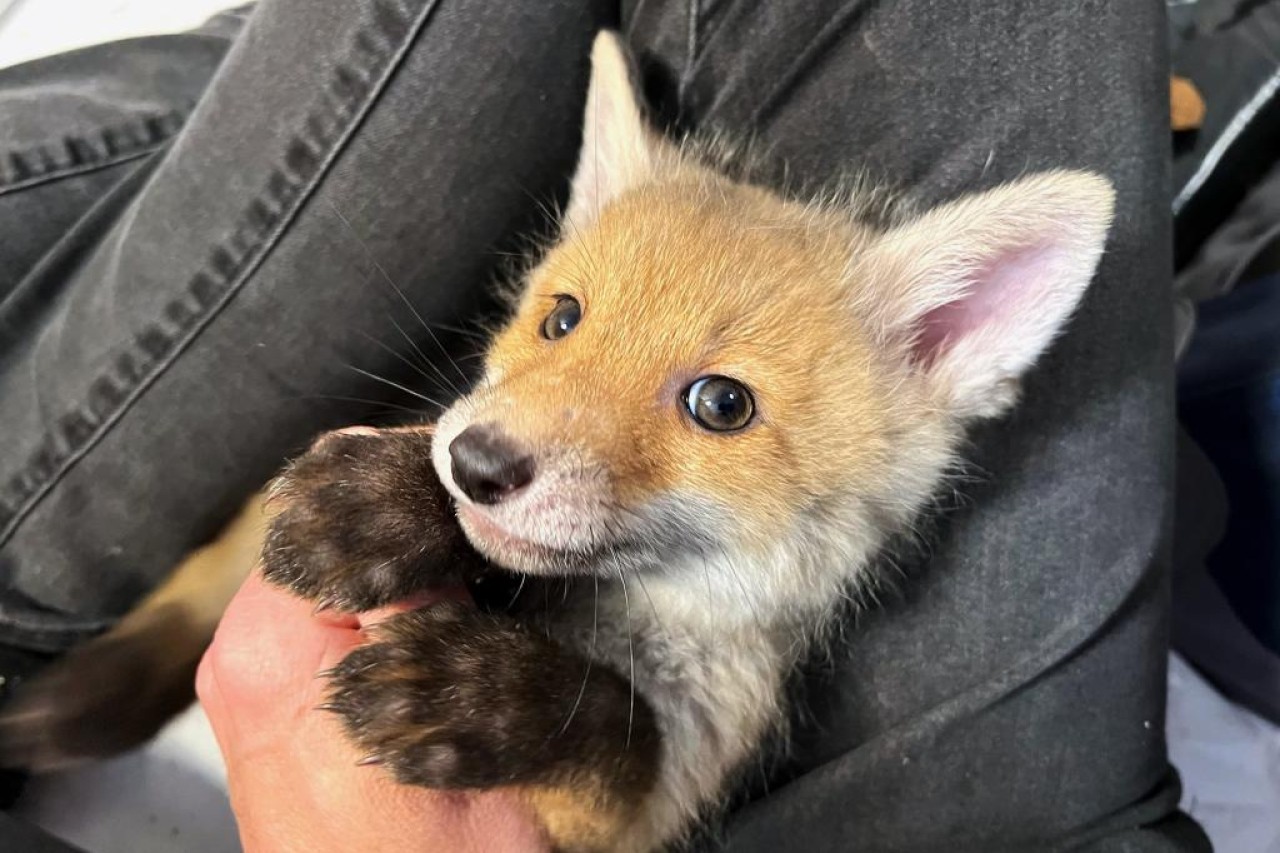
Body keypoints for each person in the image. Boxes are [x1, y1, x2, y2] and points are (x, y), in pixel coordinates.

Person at [0, 0, 1210, 850]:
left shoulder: (891, 355)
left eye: (720, 403)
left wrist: (554, 717)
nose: (505, 426)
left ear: (944, 349)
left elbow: (627, 791)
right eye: (561, 317)